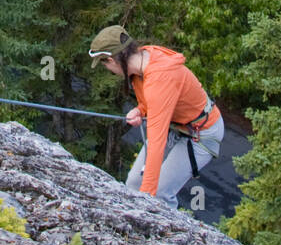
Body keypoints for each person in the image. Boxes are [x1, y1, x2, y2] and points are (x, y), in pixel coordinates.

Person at [89, 25, 224, 209]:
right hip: (175, 126)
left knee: (159, 194)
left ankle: (169, 232)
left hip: (201, 133)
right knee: (133, 184)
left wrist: (147, 200)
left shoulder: (160, 78)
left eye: (104, 64)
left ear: (112, 60)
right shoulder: (142, 61)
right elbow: (151, 102)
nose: (109, 70)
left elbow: (156, 142)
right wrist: (140, 110)